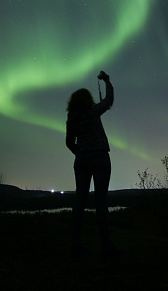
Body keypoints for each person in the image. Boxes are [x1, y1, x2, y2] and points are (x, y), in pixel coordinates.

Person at [66, 71, 117, 257]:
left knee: (79, 201)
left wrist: (79, 152)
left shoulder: (72, 117)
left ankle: (75, 244)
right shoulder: (93, 111)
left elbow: (69, 142)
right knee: (101, 202)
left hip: (82, 160)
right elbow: (109, 100)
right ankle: (106, 246)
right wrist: (107, 81)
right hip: (100, 158)